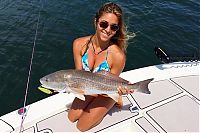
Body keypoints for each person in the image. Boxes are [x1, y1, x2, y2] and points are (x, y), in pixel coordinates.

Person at [68, 2, 133, 132]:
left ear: (117, 29)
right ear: (96, 22)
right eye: (103, 24)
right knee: (72, 117)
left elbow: (113, 83)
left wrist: (120, 91)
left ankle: (116, 101)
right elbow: (78, 75)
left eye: (113, 27)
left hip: (106, 92)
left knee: (82, 126)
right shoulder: (79, 44)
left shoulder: (118, 56)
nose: (107, 30)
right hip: (88, 88)